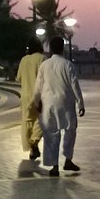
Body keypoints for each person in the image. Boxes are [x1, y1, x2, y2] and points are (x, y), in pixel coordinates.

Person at [32, 35, 85, 177]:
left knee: (51, 135)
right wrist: (80, 103)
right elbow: (74, 85)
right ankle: (68, 159)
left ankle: (54, 166)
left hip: (48, 104)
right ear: (63, 48)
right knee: (70, 131)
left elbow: (38, 86)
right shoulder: (68, 64)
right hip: (66, 103)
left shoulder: (44, 65)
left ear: (50, 49)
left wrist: (36, 102)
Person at [15, 39, 46, 160]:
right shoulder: (42, 59)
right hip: (39, 94)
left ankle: (31, 148)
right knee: (42, 119)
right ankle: (34, 140)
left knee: (27, 121)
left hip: (25, 95)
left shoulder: (24, 60)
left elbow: (19, 78)